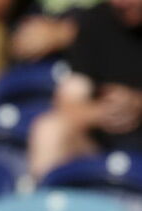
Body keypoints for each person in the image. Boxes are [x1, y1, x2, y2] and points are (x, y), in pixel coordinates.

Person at [27, 0, 142, 179]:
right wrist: (103, 112)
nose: (122, 4)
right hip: (103, 145)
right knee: (49, 129)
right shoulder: (95, 22)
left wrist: (137, 103)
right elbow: (69, 102)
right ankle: (42, 204)